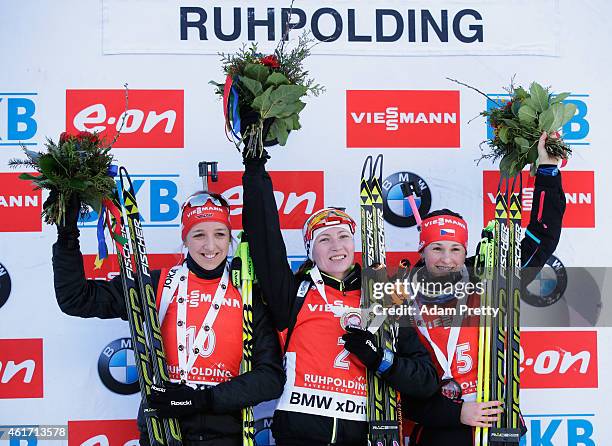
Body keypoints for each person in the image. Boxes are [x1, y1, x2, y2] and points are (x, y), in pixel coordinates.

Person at [52, 190, 284, 446]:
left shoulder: (247, 293)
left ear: (230, 239)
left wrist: (202, 399)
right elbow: (76, 298)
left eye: (220, 234)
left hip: (224, 433)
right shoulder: (158, 284)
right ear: (185, 239)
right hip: (162, 430)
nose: (210, 246)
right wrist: (67, 236)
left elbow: (269, 378)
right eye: (198, 235)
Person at [241, 155, 440, 446]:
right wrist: (255, 171)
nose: (336, 246)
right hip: (300, 435)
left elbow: (425, 381)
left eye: (343, 236)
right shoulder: (294, 294)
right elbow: (265, 240)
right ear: (311, 251)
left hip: (361, 436)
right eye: (324, 239)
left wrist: (379, 359)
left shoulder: (384, 297)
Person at [400, 132, 566, 446]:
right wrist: (455, 413)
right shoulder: (400, 294)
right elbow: (397, 379)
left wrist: (547, 170)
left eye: (455, 249)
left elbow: (542, 236)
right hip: (439, 427)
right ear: (422, 250)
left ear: (466, 252)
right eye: (436, 248)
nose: (446, 259)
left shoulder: (491, 276)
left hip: (496, 420)